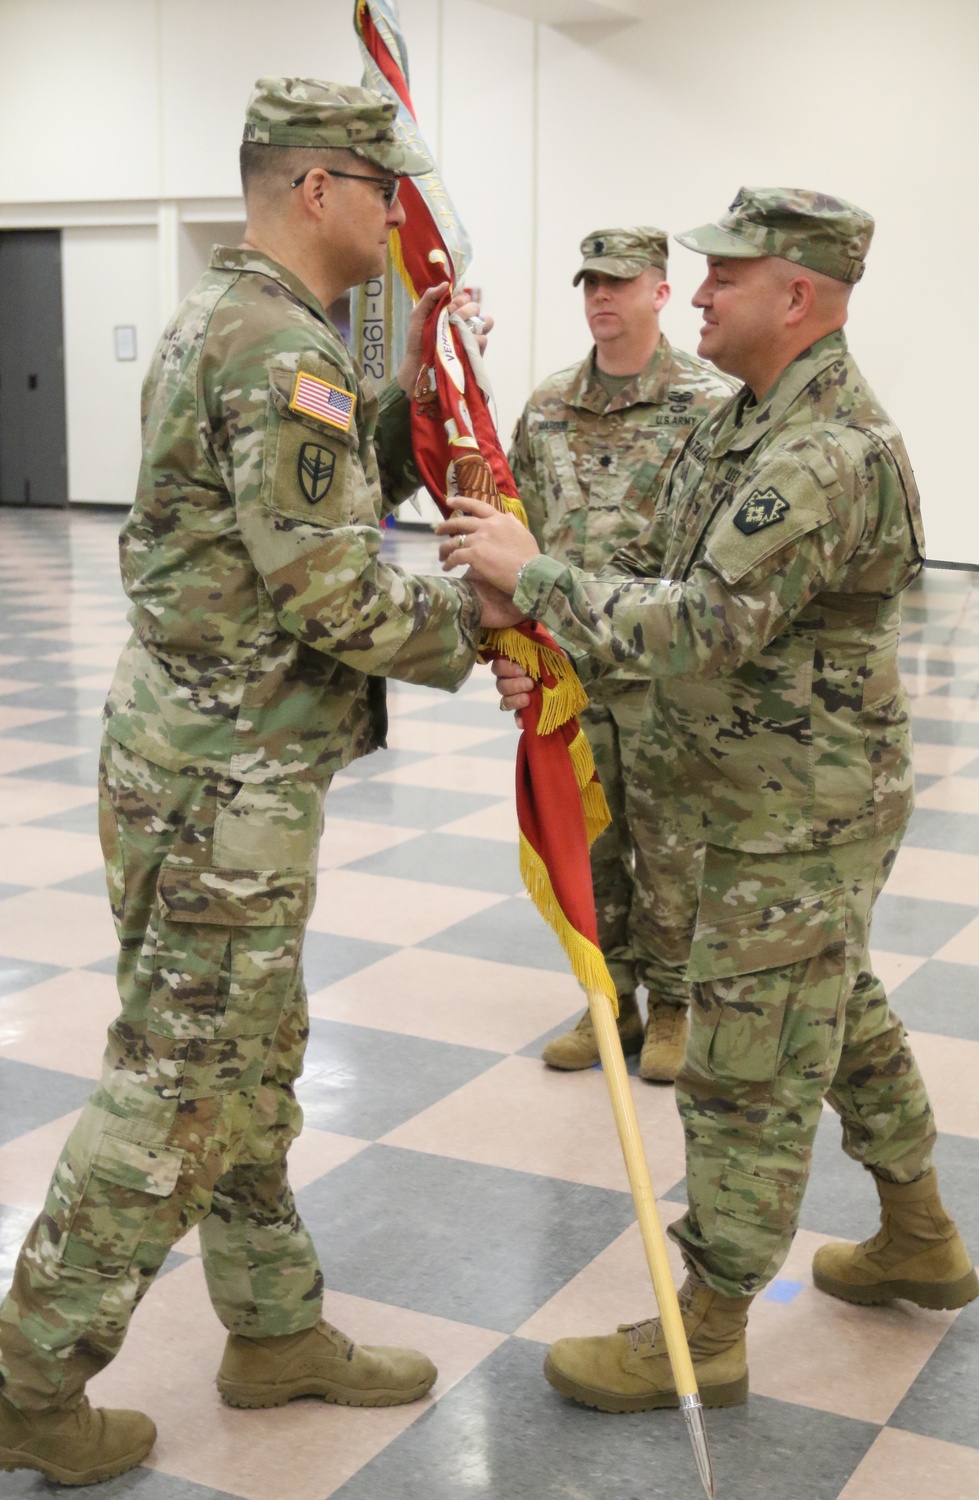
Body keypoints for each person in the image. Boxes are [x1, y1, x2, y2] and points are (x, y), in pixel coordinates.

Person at [0, 77, 513, 1486]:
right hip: (225, 784)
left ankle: (275, 1327)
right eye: (381, 192)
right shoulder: (268, 350)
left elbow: (310, 493)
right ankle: (30, 1374)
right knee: (180, 1082)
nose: (398, 220)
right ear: (315, 192)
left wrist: (417, 396)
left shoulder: (248, 330)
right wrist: (501, 624)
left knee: (248, 1055)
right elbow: (335, 592)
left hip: (198, 763)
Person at [438, 187, 979, 1413]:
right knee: (832, 1005)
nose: (695, 293)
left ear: (797, 296)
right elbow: (657, 573)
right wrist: (529, 594)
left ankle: (710, 1328)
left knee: (744, 1070)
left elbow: (701, 624)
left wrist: (537, 576)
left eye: (724, 275)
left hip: (792, 811)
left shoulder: (822, 453)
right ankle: (920, 1234)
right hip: (753, 793)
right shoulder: (745, 420)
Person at [509, 227, 735, 1081]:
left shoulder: (711, 402)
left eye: (620, 282)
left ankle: (676, 1003)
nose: (601, 297)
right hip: (570, 671)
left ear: (659, 292)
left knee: (670, 838)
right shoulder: (548, 405)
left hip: (665, 672)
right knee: (589, 838)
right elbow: (518, 525)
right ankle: (612, 998)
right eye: (589, 284)